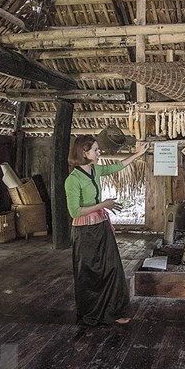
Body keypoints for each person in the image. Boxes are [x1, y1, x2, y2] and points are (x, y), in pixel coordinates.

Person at [65, 135, 148, 326]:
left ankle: (115, 311)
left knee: (112, 268)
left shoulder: (95, 170)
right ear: (84, 153)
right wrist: (104, 204)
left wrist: (138, 154)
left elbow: (117, 166)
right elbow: (75, 211)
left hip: (101, 227)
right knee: (89, 273)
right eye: (95, 149)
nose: (99, 152)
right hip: (84, 233)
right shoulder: (73, 180)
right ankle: (92, 314)